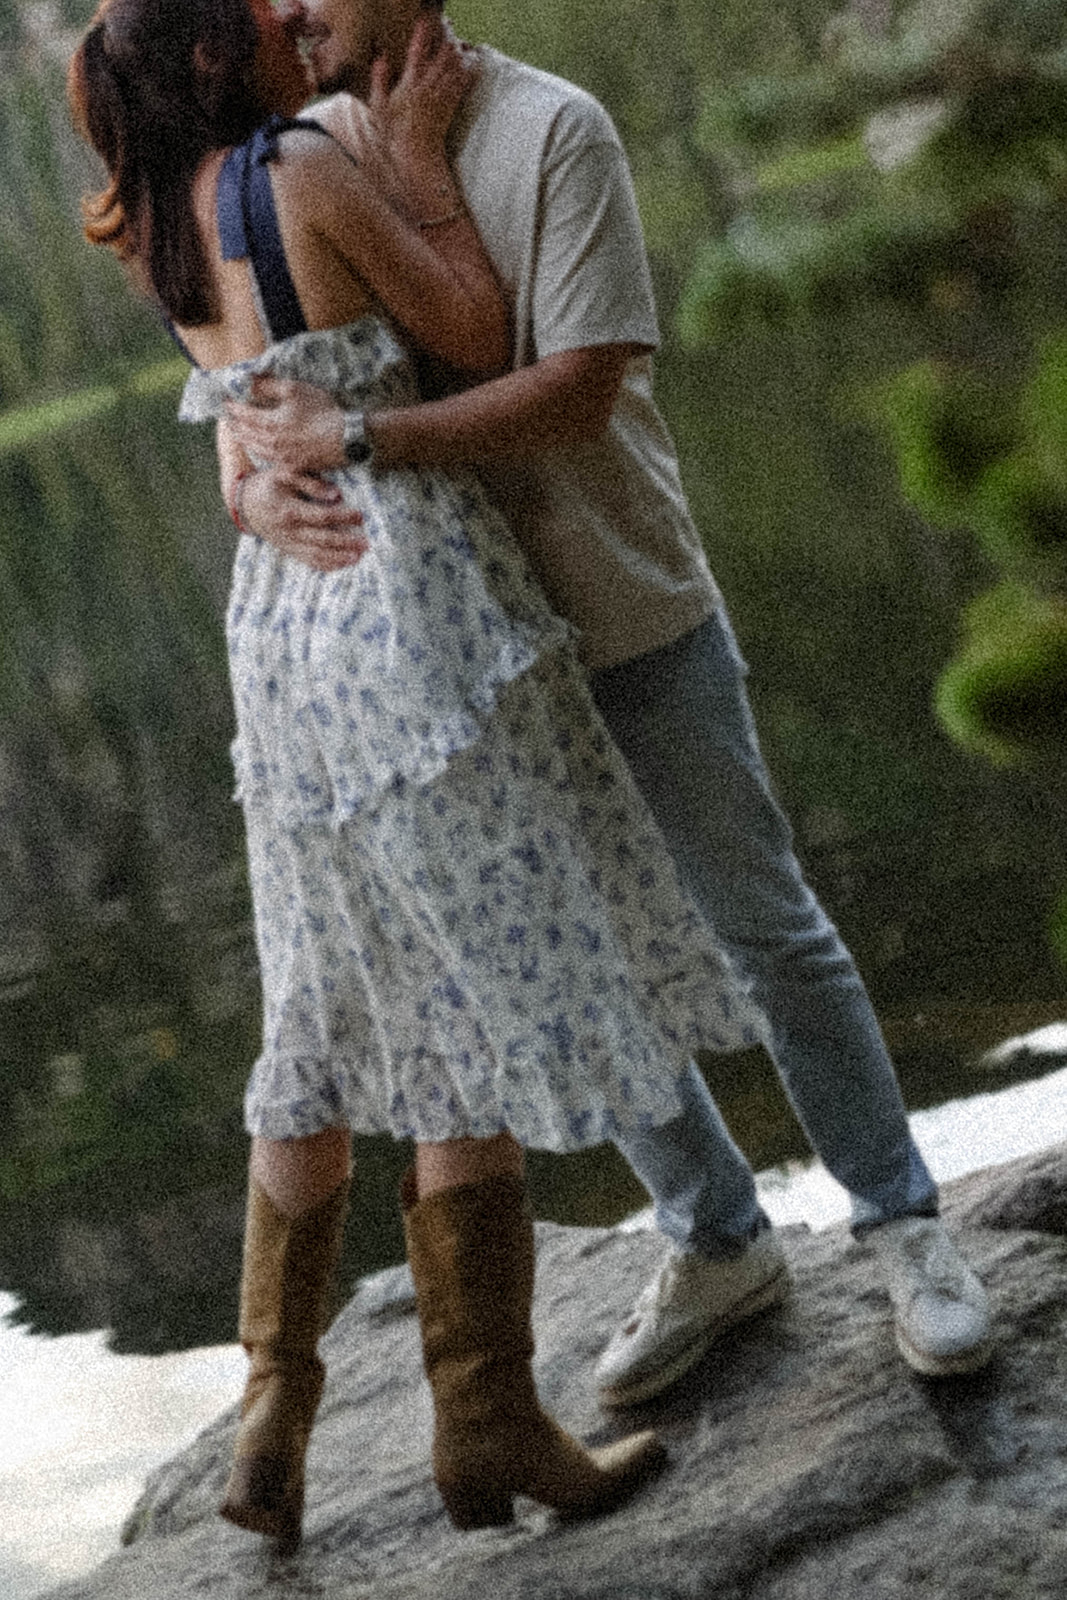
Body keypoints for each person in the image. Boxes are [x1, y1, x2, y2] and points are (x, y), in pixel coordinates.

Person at [66, 0, 782, 1547]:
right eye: (257, 10)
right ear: (213, 58)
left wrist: (256, 482)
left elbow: (240, 424)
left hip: (285, 637)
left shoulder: (162, 228)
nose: (289, 15)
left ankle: (273, 1416)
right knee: (461, 1008)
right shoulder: (305, 169)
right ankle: (488, 1420)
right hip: (415, 610)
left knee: (316, 1011)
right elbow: (465, 331)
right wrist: (428, 176)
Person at [220, 0, 995, 1407]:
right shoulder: (301, 160)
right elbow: (244, 386)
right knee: (574, 965)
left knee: (764, 926)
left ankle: (904, 1225)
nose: (288, 11)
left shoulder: (551, 128)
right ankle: (717, 1238)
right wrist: (248, 480)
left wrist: (361, 436)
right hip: (455, 666)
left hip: (624, 610)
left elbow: (574, 392)